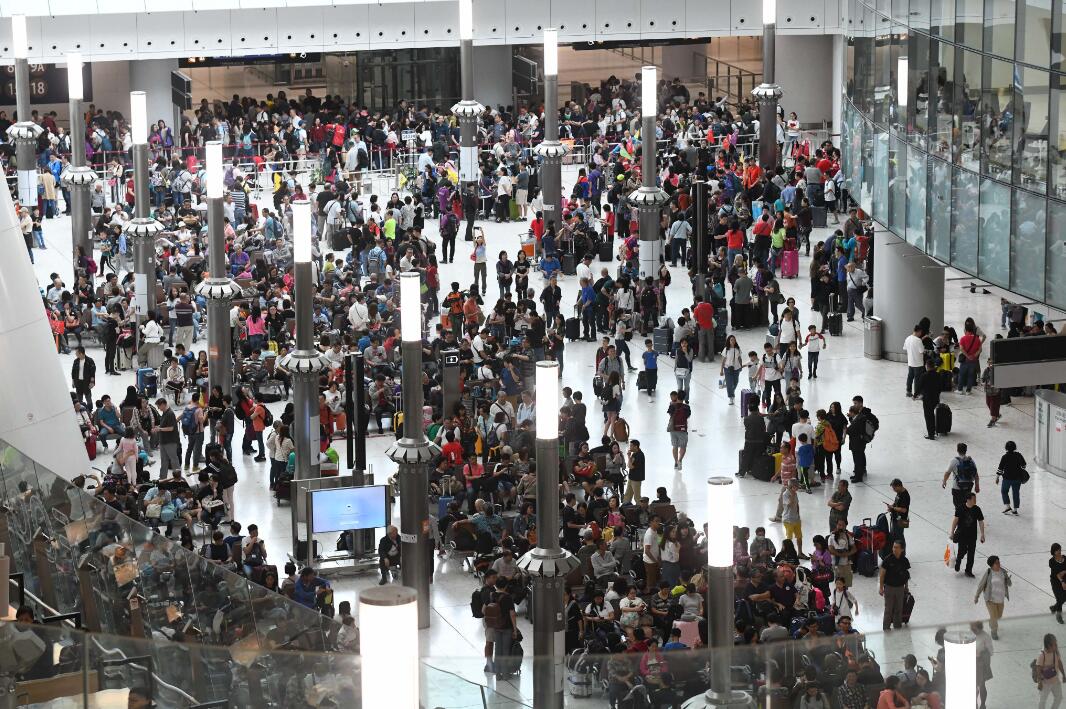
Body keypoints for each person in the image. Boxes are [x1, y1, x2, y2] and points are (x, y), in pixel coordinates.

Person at [974, 555, 1011, 639]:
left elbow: (1009, 584)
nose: (999, 564)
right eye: (996, 563)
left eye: (999, 562)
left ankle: (991, 622)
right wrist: (977, 596)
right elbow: (981, 585)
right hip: (990, 600)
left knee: (998, 616)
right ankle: (994, 631)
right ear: (992, 565)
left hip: (1000, 599)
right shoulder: (988, 573)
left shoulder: (1003, 572)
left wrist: (1008, 580)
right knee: (994, 617)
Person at [949, 493, 985, 577]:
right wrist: (952, 532)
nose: (975, 500)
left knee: (971, 554)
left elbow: (981, 521)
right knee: (962, 550)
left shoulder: (977, 509)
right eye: (973, 499)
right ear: (968, 500)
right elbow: (955, 520)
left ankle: (968, 570)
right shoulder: (960, 508)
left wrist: (982, 534)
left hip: (972, 535)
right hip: (962, 534)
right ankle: (958, 561)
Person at [879, 540, 910, 631]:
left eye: (897, 547)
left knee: (899, 608)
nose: (894, 549)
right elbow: (882, 575)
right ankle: (886, 627)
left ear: (902, 549)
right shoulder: (887, 559)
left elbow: (906, 575)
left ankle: (897, 626)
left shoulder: (904, 560)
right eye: (893, 547)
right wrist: (881, 588)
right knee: (888, 609)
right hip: (889, 588)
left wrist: (906, 587)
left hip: (900, 588)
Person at [942, 442, 980, 514]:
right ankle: (966, 517)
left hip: (957, 488)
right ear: (966, 450)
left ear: (957, 450)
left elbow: (947, 472)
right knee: (967, 505)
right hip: (968, 487)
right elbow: (976, 474)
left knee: (958, 506)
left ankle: (959, 519)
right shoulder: (971, 460)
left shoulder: (954, 461)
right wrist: (977, 486)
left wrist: (944, 481)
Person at [996, 440, 1027, 515]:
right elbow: (1024, 465)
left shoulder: (1004, 457)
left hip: (1007, 479)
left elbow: (1000, 468)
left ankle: (1008, 507)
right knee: (1016, 493)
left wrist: (997, 477)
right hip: (1017, 478)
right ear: (1015, 447)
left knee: (1004, 491)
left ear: (1006, 448)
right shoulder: (1019, 455)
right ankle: (1015, 510)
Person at [1037, 633, 1064, 708]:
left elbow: (1059, 662)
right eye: (1054, 644)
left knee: (1059, 697)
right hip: (1045, 683)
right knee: (1042, 700)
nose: (1056, 645)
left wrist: (1063, 674)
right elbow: (1038, 669)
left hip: (1055, 680)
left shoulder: (1055, 652)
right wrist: (1039, 682)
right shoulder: (1042, 655)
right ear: (1049, 646)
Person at [916, 359, 941, 440]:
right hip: (936, 398)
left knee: (928, 417)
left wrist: (915, 395)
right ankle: (935, 430)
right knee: (933, 415)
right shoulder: (938, 375)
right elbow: (941, 387)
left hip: (927, 399)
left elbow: (919, 387)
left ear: (927, 366)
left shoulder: (924, 375)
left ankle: (931, 434)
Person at [666, 391, 690, 470]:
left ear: (677, 397)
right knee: (683, 446)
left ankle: (676, 462)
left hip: (673, 428)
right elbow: (687, 416)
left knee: (675, 446)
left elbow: (670, 414)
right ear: (684, 398)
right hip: (682, 429)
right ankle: (680, 460)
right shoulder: (686, 407)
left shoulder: (672, 406)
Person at [885, 478, 910, 547]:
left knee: (899, 537)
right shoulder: (899, 492)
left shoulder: (905, 496)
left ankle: (902, 551)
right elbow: (896, 502)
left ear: (899, 486)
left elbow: (904, 510)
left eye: (894, 488)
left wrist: (893, 508)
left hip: (901, 520)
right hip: (896, 518)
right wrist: (892, 507)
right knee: (895, 535)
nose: (893, 490)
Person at [642, 515, 662, 593]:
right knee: (651, 582)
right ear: (651, 522)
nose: (658, 523)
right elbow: (647, 551)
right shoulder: (649, 534)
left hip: (654, 560)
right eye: (656, 521)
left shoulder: (655, 531)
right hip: (650, 561)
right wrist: (655, 561)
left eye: (659, 521)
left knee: (655, 579)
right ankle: (649, 596)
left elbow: (655, 545)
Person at [1050, 543, 1066, 625]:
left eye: (1059, 549)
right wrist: (1062, 581)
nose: (1059, 551)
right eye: (1057, 550)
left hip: (1065, 579)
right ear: (1053, 551)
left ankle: (1054, 608)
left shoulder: (1065, 558)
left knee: (1064, 597)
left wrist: (1063, 573)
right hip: (1055, 582)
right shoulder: (1051, 561)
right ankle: (1059, 616)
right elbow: (1057, 573)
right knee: (1060, 598)